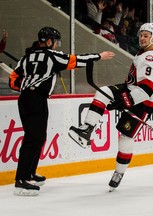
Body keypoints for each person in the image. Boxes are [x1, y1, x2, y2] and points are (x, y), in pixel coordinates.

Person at [8, 26, 115, 196]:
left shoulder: (26, 57)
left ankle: (29, 174)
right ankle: (21, 180)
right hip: (36, 99)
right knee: (33, 138)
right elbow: (75, 60)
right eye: (55, 42)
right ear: (48, 41)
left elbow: (12, 80)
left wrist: (27, 86)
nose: (57, 45)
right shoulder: (52, 55)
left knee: (37, 137)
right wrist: (99, 56)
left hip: (27, 99)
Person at [68, 23, 153, 192]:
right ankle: (86, 129)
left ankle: (119, 172)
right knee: (104, 92)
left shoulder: (150, 59)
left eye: (146, 35)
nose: (142, 38)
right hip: (131, 90)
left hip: (143, 102)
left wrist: (125, 102)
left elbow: (147, 90)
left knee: (125, 137)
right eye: (141, 34)